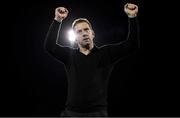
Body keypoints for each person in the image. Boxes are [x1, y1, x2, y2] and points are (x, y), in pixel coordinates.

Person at [44, 3, 139, 117]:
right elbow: (50, 46)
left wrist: (132, 17)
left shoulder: (106, 54)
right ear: (75, 37)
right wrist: (58, 19)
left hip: (97, 114)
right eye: (79, 32)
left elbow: (132, 45)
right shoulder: (69, 56)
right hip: (71, 113)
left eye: (86, 30)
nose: (84, 33)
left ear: (92, 33)